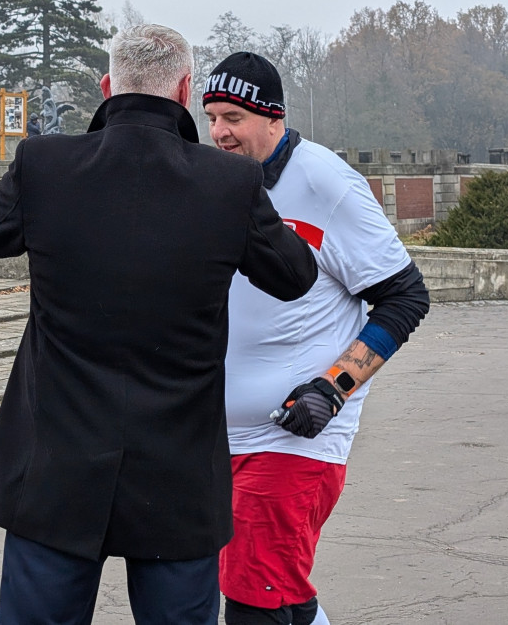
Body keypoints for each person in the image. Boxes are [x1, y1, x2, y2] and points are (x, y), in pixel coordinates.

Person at [0, 27, 318, 624]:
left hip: (55, 463)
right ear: (185, 90)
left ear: (106, 87)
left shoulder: (44, 163)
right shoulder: (229, 183)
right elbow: (295, 274)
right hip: (177, 470)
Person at [203, 52, 430, 625]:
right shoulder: (221, 182)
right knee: (263, 592)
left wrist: (334, 387)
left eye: (233, 117)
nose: (219, 132)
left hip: (293, 435)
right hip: (214, 435)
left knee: (261, 600)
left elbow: (405, 297)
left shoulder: (326, 183)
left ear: (274, 118)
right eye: (211, 117)